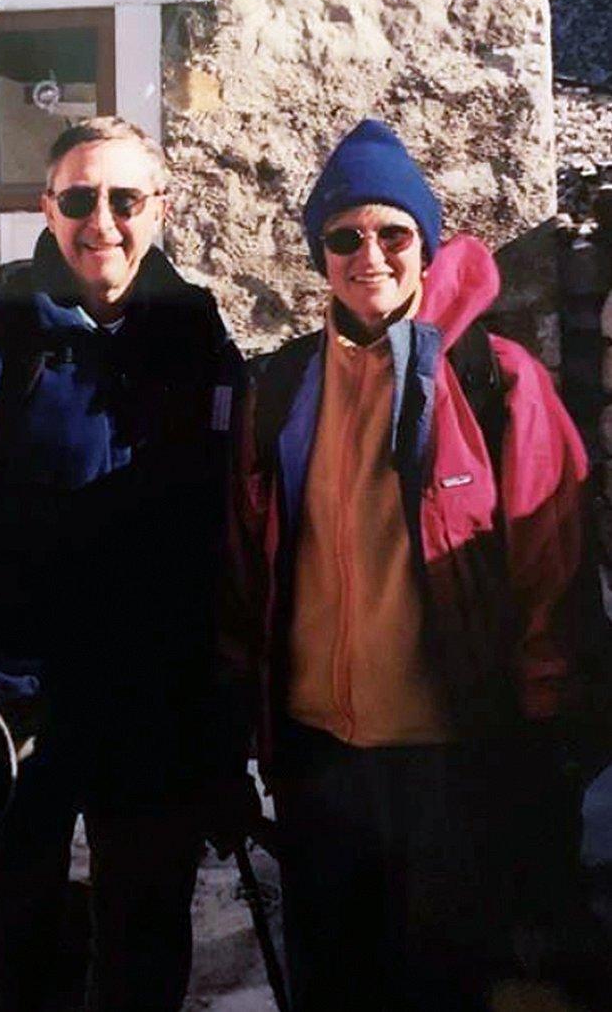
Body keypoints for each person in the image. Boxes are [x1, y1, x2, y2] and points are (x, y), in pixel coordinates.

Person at [0, 116, 245, 1012]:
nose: (100, 222)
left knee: (145, 940)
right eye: (78, 198)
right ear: (46, 206)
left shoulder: (196, 338)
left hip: (153, 696)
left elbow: (236, 497)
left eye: (123, 199)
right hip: (9, 694)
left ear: (161, 208)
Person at [237, 118, 592, 1012]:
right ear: (318, 252)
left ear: (426, 247)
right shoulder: (279, 390)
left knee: (441, 989)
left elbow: (550, 569)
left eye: (392, 233)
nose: (369, 255)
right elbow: (248, 566)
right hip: (319, 760)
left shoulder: (497, 382)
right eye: (343, 236)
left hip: (449, 762)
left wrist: (545, 735)